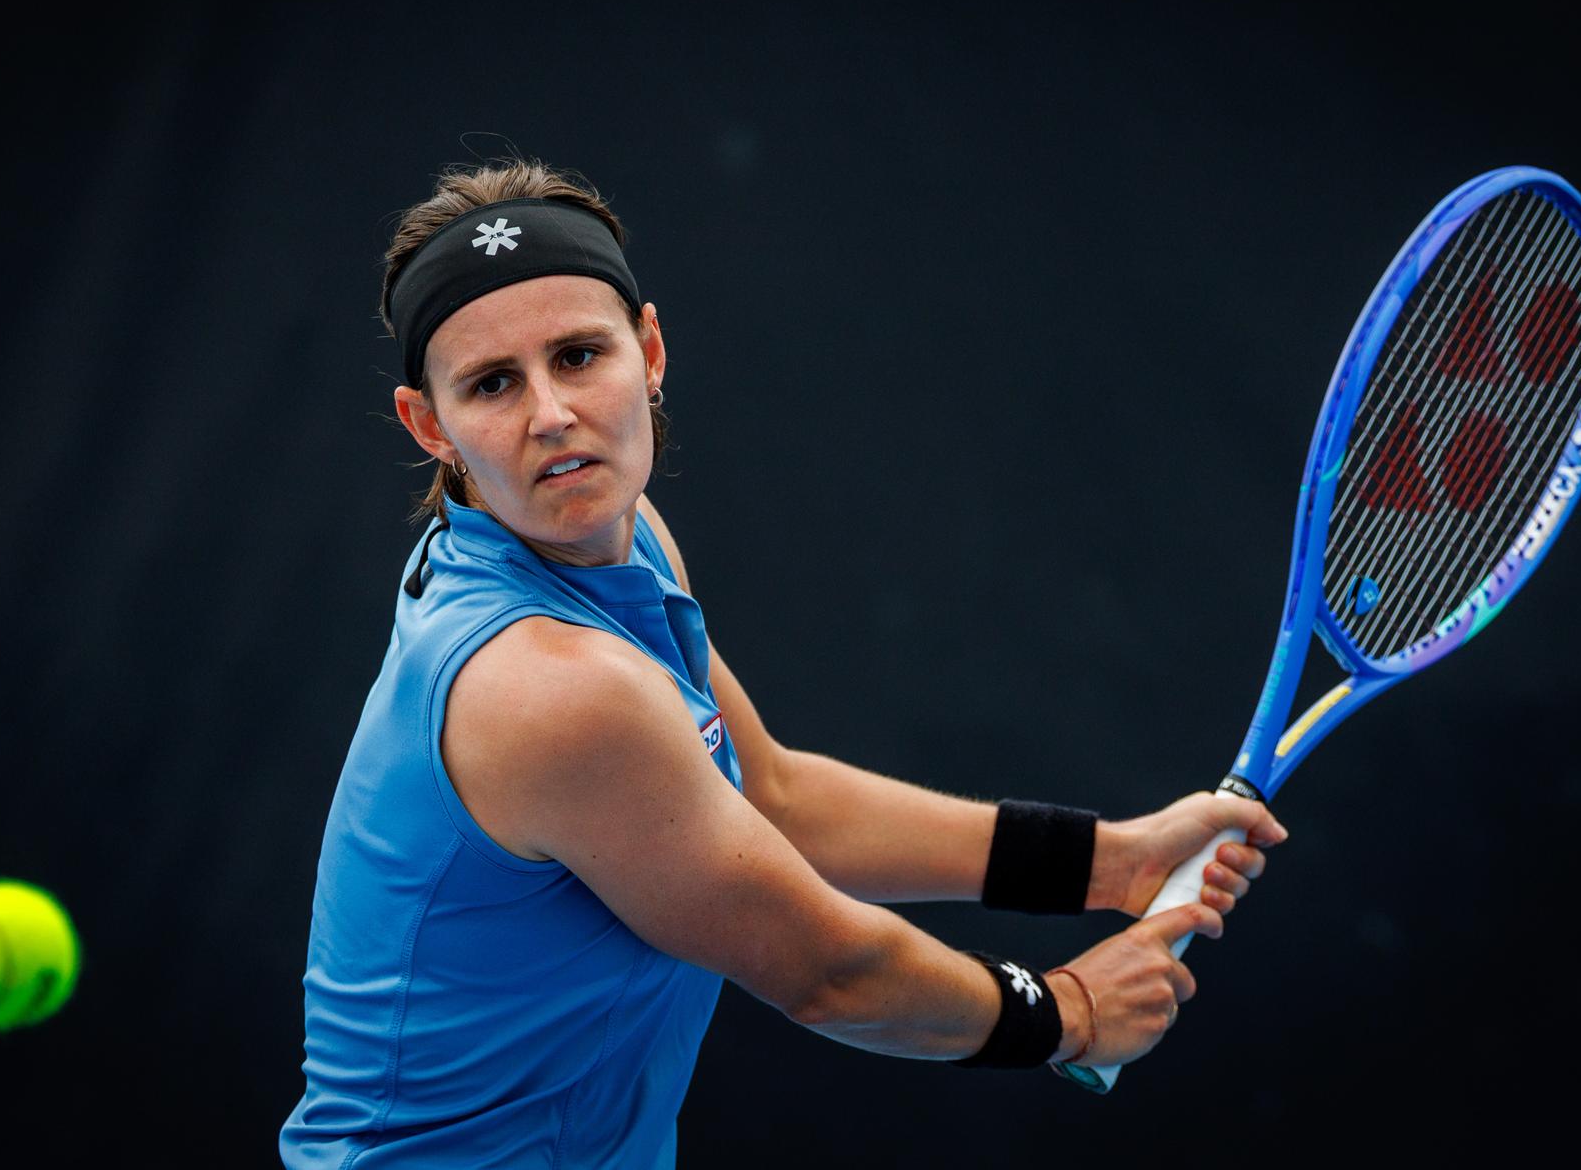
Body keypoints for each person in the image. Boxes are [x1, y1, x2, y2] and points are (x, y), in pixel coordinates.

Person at [279, 159, 1288, 1168]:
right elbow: (828, 973)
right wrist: (1066, 1009)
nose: (550, 414)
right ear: (430, 426)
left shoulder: (606, 536)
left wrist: (1109, 862)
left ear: (651, 350)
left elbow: (773, 797)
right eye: (493, 383)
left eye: (580, 355)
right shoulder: (550, 685)